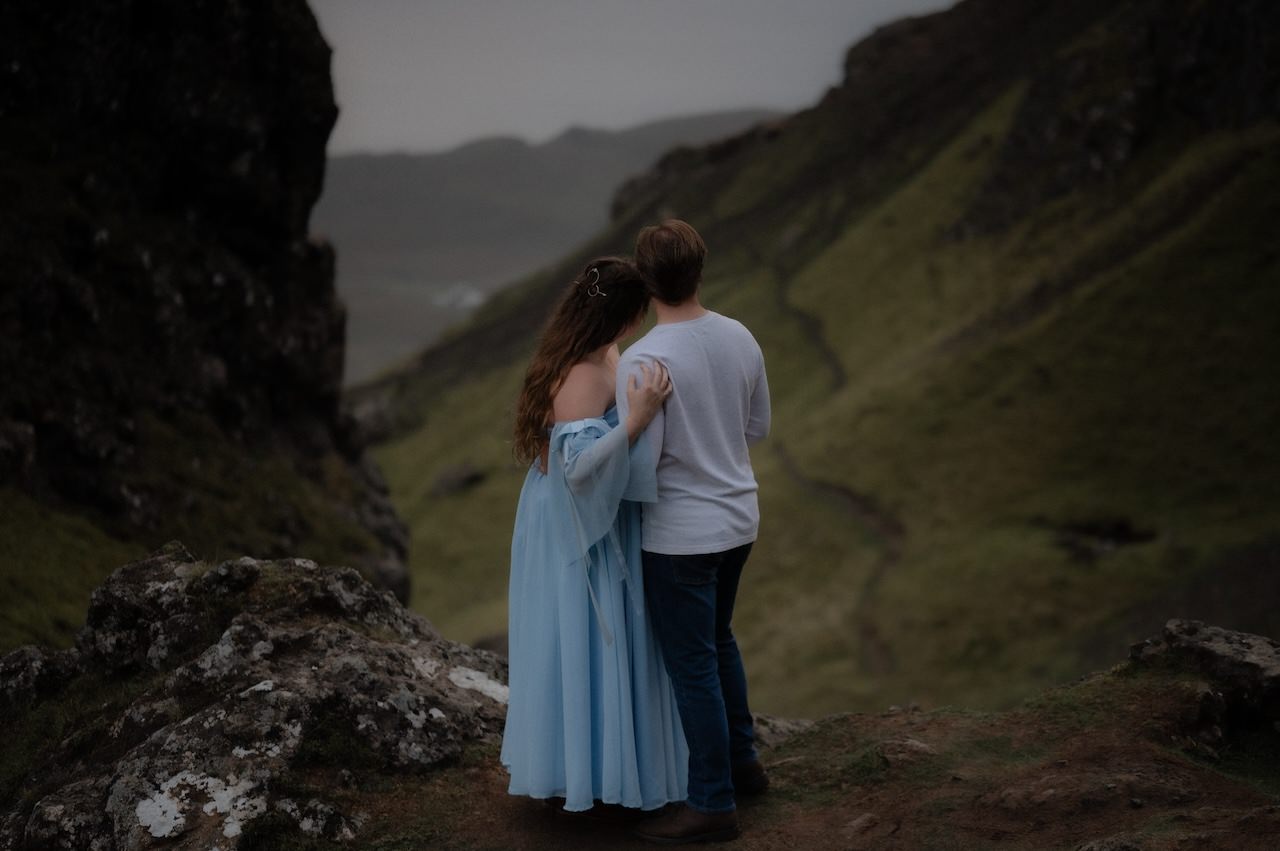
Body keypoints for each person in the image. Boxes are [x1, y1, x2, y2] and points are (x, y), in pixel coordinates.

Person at [500, 256, 690, 816]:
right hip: (577, 521)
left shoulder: (596, 352)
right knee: (584, 630)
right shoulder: (581, 375)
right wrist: (636, 420)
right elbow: (579, 470)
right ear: (620, 316)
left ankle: (607, 765)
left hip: (583, 514)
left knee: (592, 633)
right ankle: (590, 773)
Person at [616, 220, 771, 844]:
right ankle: (744, 765)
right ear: (699, 269)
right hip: (739, 519)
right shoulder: (739, 335)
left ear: (644, 280)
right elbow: (755, 428)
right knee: (719, 641)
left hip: (681, 535)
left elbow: (640, 467)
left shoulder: (645, 359)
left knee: (693, 664)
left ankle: (712, 803)